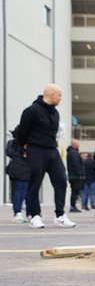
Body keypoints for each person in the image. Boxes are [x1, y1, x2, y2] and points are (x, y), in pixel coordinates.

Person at [17, 83, 75, 228]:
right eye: (59, 95)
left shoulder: (55, 113)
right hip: (36, 150)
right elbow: (22, 132)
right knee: (35, 183)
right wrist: (24, 147)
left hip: (52, 150)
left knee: (61, 180)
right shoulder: (31, 111)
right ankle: (34, 215)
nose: (61, 98)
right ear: (50, 94)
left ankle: (60, 216)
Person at [5, 126, 29, 223]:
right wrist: (22, 151)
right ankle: (17, 212)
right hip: (18, 170)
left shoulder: (24, 144)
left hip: (21, 170)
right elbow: (10, 153)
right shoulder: (14, 143)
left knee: (23, 192)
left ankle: (23, 212)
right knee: (19, 191)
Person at [66, 139, 84, 213]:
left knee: (74, 191)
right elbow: (76, 164)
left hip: (72, 175)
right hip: (75, 176)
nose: (79, 145)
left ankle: (73, 206)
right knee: (75, 191)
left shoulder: (70, 152)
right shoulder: (74, 153)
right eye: (78, 144)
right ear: (74, 145)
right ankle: (73, 206)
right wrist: (80, 174)